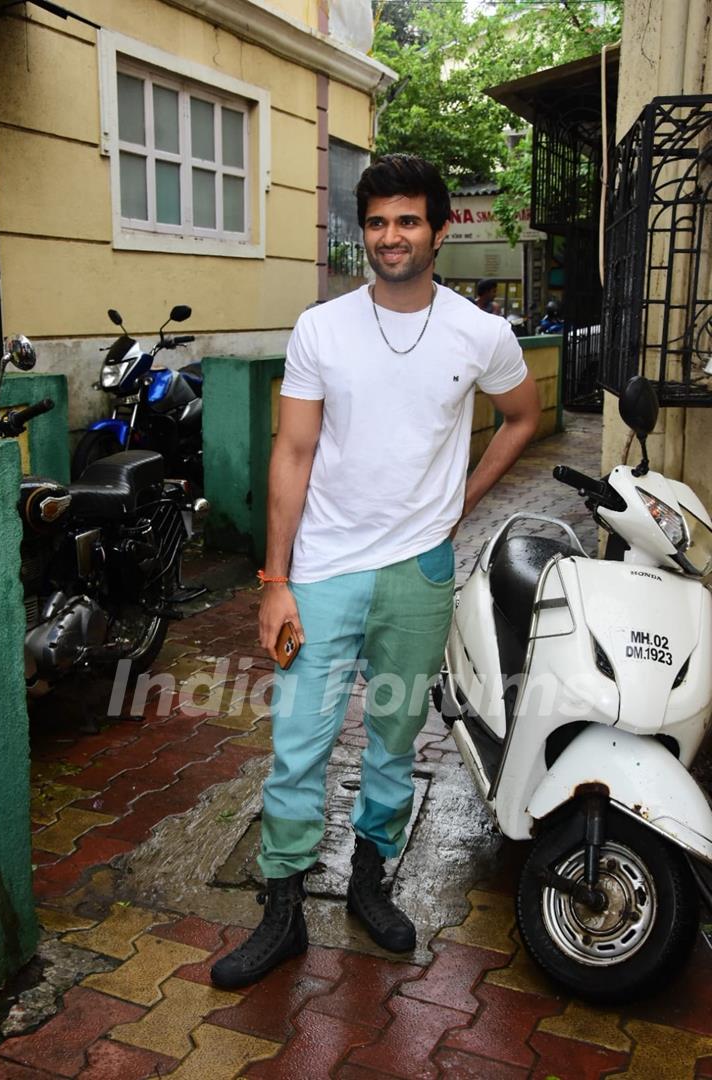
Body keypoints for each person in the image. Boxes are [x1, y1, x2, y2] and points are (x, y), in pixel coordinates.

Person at [211, 154, 540, 990]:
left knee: (395, 740)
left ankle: (368, 878)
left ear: (438, 229)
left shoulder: (480, 333)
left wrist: (461, 499)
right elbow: (292, 450)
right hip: (321, 571)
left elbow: (522, 417)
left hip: (420, 572)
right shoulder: (322, 327)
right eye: (378, 222)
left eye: (407, 220)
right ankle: (282, 907)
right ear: (365, 232)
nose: (391, 237)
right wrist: (275, 579)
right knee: (298, 744)